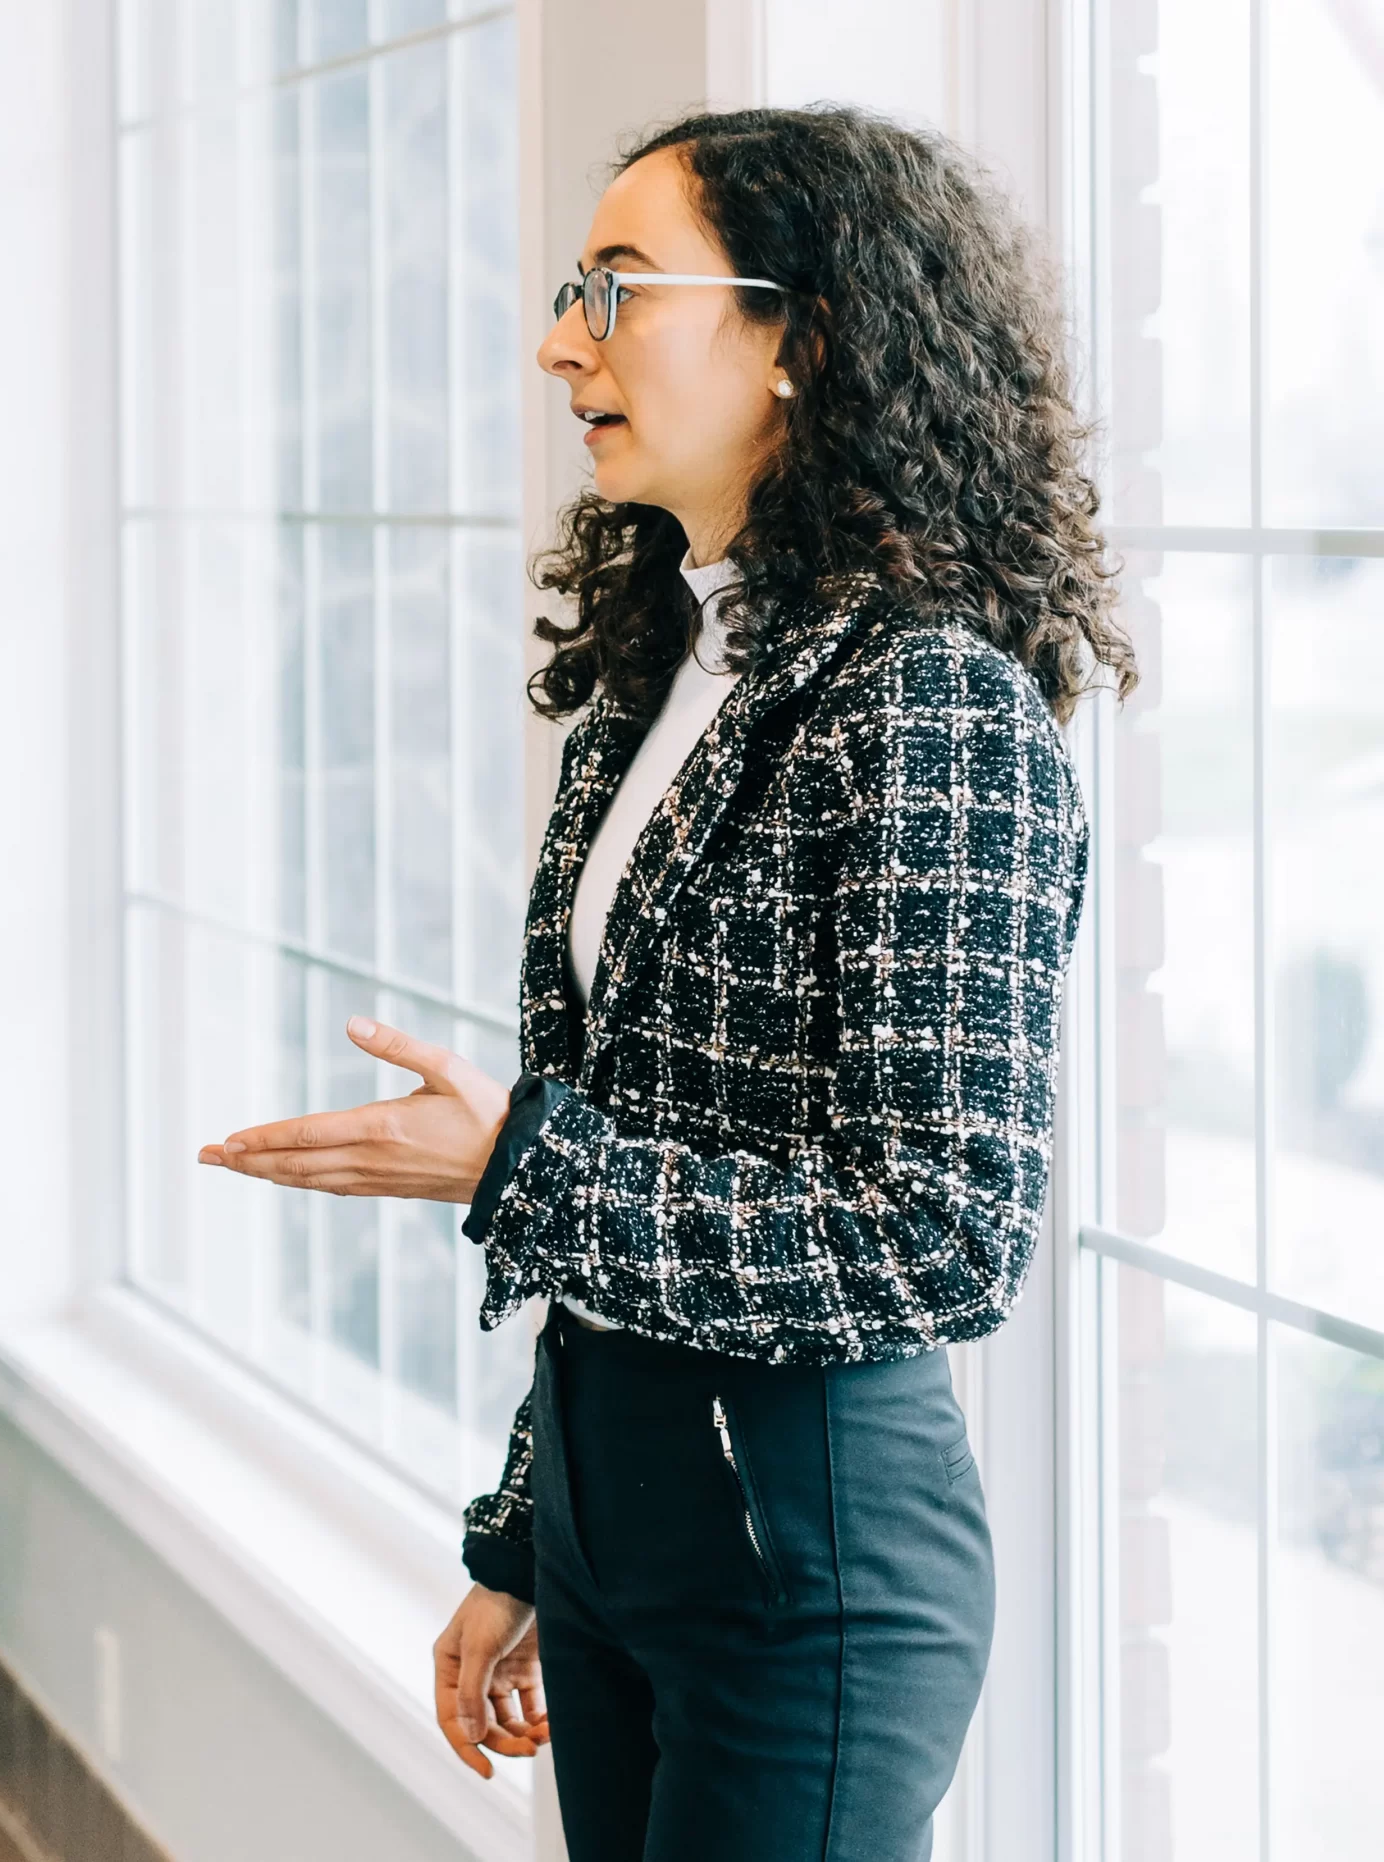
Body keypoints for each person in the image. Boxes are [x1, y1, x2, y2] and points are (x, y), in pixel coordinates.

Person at [201, 106, 1130, 1860]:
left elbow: (938, 1233)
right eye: (574, 294)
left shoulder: (930, 708)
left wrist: (513, 1161)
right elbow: (643, 1139)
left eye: (619, 292)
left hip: (807, 1573)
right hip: (618, 1539)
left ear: (803, 338)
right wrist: (524, 1539)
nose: (563, 341)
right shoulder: (664, 670)